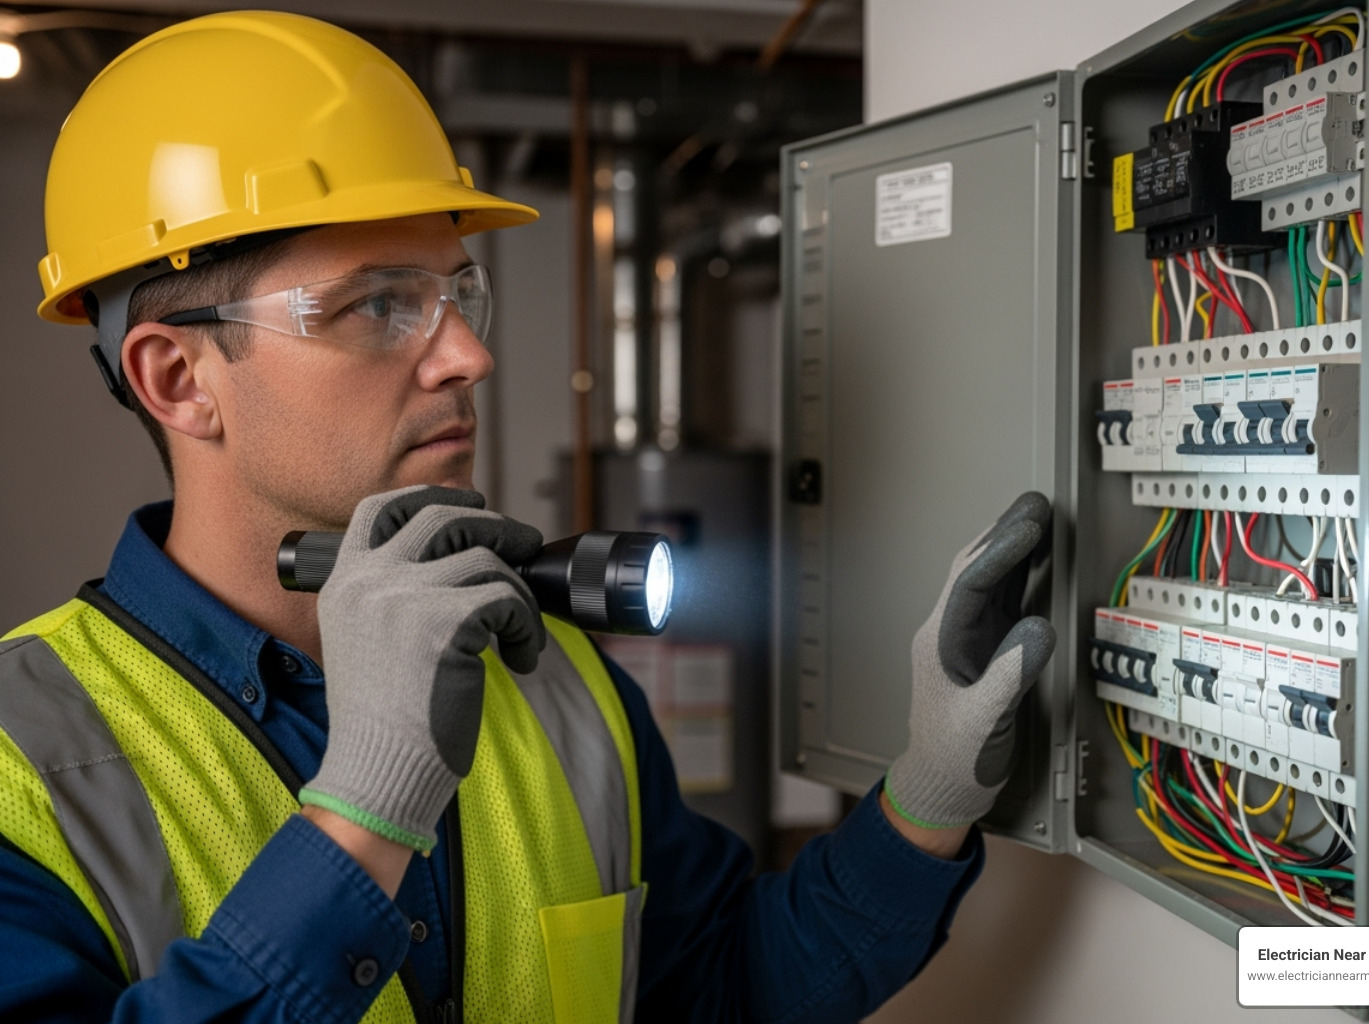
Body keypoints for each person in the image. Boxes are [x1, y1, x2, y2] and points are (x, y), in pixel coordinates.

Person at [0, 12, 1056, 1023]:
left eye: (458, 295)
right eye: (378, 303)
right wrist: (365, 808)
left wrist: (925, 795)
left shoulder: (562, 683)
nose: (468, 355)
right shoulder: (21, 772)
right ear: (178, 378)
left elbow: (722, 990)